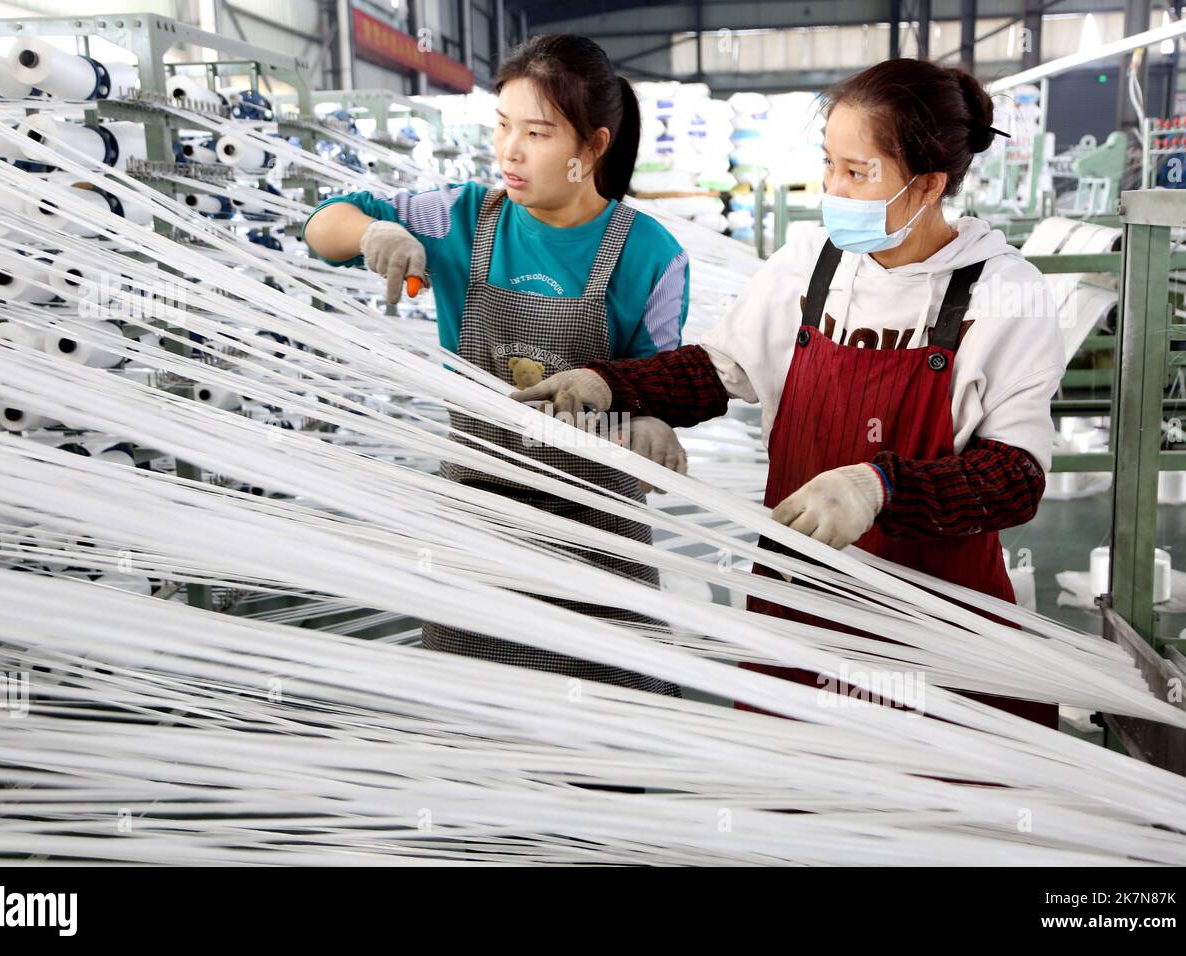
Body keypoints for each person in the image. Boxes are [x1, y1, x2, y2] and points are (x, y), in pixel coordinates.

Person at [513, 58, 1066, 726]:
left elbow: (1014, 478)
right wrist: (610, 384)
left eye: (856, 173)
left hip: (937, 626)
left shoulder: (1005, 293)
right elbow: (715, 370)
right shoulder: (813, 263)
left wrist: (877, 489)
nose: (831, 187)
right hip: (802, 606)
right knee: (804, 806)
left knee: (942, 809)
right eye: (828, 163)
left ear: (927, 186)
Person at [304, 34, 691, 695]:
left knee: (608, 706)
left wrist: (654, 427)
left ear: (592, 148)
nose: (510, 150)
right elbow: (321, 227)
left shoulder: (650, 255)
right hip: (481, 505)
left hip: (595, 519)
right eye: (503, 126)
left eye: (537, 133)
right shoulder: (462, 217)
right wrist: (372, 232)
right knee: (482, 704)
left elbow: (658, 380)